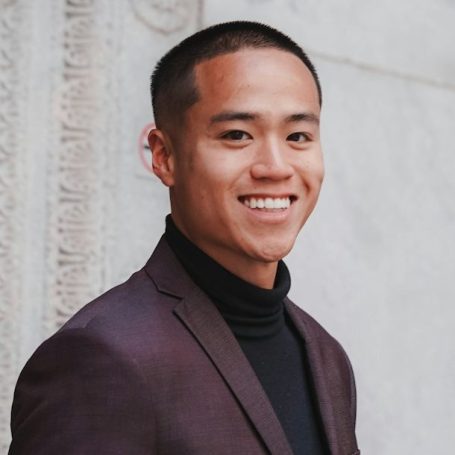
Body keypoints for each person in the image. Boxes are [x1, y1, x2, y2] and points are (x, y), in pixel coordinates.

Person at [9, 21, 360, 455]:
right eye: (237, 135)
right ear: (164, 156)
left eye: (297, 136)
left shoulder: (327, 356)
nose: (275, 167)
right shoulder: (102, 355)